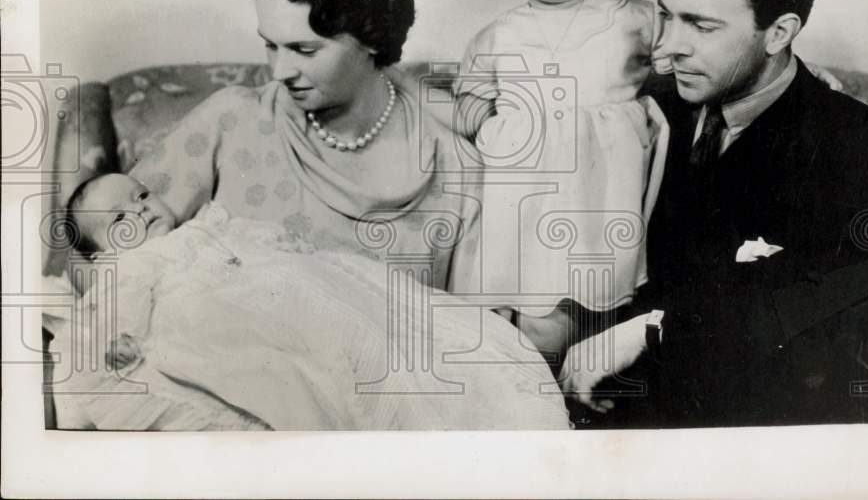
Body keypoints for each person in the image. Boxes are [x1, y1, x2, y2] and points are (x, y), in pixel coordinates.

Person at [559, 0, 868, 427]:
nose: (668, 47)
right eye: (667, 15)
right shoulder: (648, 108)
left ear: (779, 33)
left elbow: (809, 317)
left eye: (701, 25)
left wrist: (651, 330)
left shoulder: (862, 146)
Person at [54, 172, 570, 430]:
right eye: (120, 221)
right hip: (230, 312)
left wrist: (287, 249)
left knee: (375, 318)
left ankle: (491, 387)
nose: (140, 213)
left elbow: (261, 238)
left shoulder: (204, 226)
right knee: (316, 366)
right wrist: (117, 338)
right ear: (102, 255)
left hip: (290, 283)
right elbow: (117, 304)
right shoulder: (133, 265)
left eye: (141, 196)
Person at [129, 0, 480, 290]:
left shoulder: (456, 169)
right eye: (271, 45)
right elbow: (94, 250)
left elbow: (483, 331)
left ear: (372, 38)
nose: (279, 72)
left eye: (305, 50)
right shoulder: (231, 121)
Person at [444, 0, 668, 367]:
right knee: (535, 307)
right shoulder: (498, 36)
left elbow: (692, 57)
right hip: (528, 196)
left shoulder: (632, 18)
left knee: (601, 304)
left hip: (606, 189)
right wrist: (493, 127)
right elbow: (469, 98)